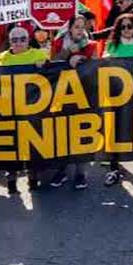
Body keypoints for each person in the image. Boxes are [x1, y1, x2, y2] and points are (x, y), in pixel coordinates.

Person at [0, 27, 49, 193]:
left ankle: (33, 179)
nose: (19, 43)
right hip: (10, 110)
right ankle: (11, 182)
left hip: (33, 109)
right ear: (9, 42)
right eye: (14, 40)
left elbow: (52, 74)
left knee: (32, 145)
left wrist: (44, 65)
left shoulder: (39, 55)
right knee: (11, 146)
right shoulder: (1, 59)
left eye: (22, 39)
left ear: (28, 40)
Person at [103, 13, 133, 186]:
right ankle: (114, 169)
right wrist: (106, 60)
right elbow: (103, 66)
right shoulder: (112, 46)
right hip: (116, 96)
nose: (126, 30)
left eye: (129, 26)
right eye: (122, 27)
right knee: (115, 133)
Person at [48, 15, 96, 190]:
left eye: (82, 27)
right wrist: (68, 53)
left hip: (84, 95)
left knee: (82, 135)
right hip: (62, 94)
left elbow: (96, 68)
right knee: (63, 133)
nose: (80, 30)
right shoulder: (59, 42)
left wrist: (82, 62)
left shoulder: (91, 45)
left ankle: (80, 174)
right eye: (76, 27)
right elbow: (52, 63)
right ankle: (61, 170)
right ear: (69, 28)